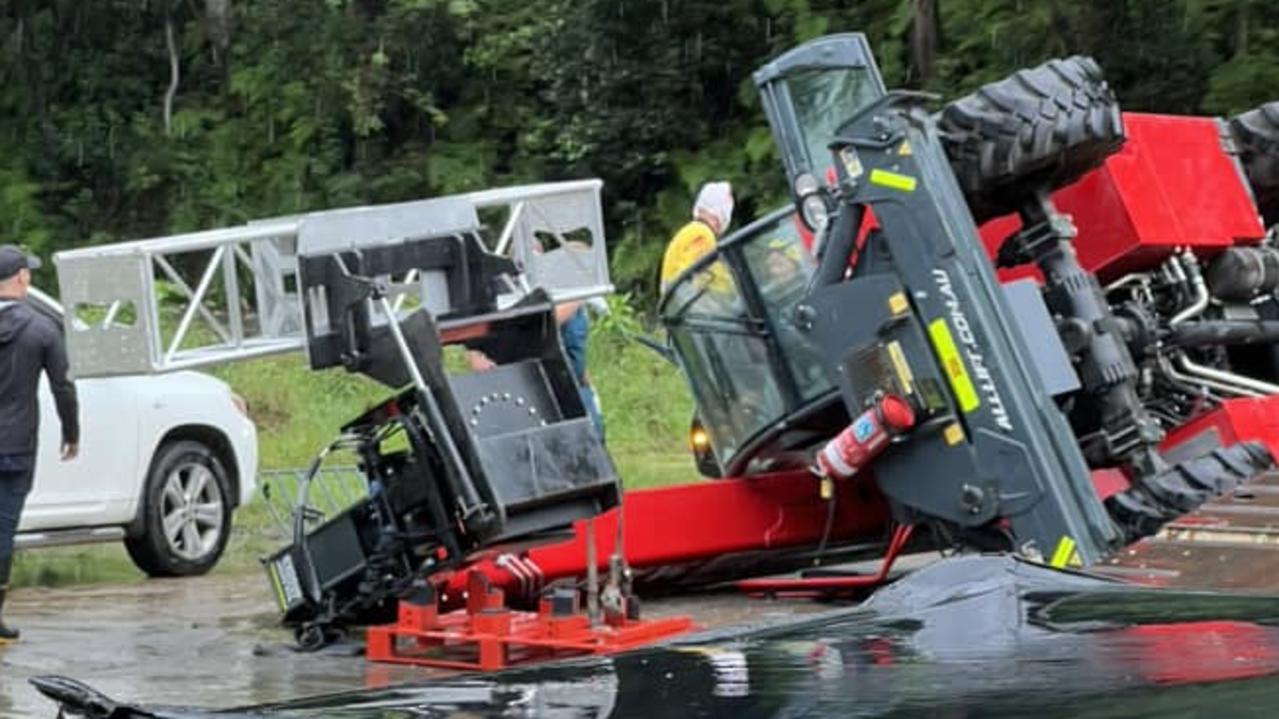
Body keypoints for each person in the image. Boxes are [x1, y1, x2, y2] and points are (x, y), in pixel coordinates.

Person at [0, 245, 79, 642]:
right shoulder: (42, 328)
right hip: (15, 447)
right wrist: (71, 433)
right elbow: (63, 386)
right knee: (3, 529)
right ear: (22, 278)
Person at [659, 181, 735, 296]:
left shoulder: (688, 231)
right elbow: (698, 272)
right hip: (688, 305)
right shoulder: (703, 234)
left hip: (676, 303)